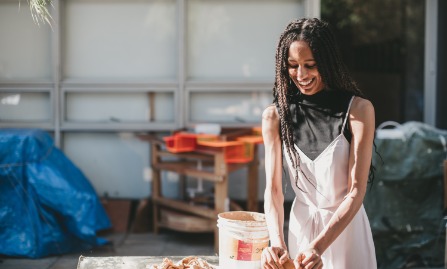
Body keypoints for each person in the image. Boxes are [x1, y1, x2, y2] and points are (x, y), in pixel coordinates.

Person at [261, 18, 377, 269]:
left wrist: (318, 247)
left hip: (347, 232)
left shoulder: (358, 110)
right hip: (300, 230)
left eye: (310, 65)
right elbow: (273, 190)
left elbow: (356, 191)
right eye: (293, 66)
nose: (300, 75)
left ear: (327, 62)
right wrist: (277, 242)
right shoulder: (274, 116)